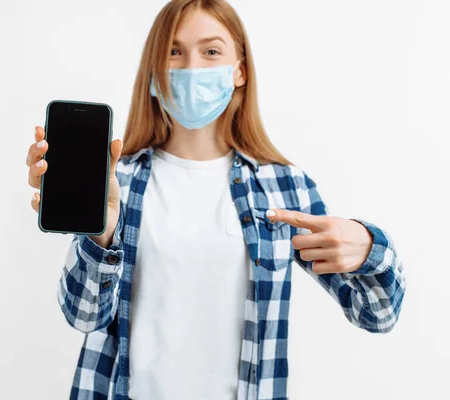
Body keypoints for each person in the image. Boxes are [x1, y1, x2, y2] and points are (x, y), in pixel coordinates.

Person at [25, 1, 406, 399]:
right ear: (153, 72)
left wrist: (369, 248)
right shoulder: (117, 180)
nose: (192, 68)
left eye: (211, 51)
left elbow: (378, 314)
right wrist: (100, 236)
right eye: (174, 51)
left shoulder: (284, 187)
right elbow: (83, 314)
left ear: (239, 70)